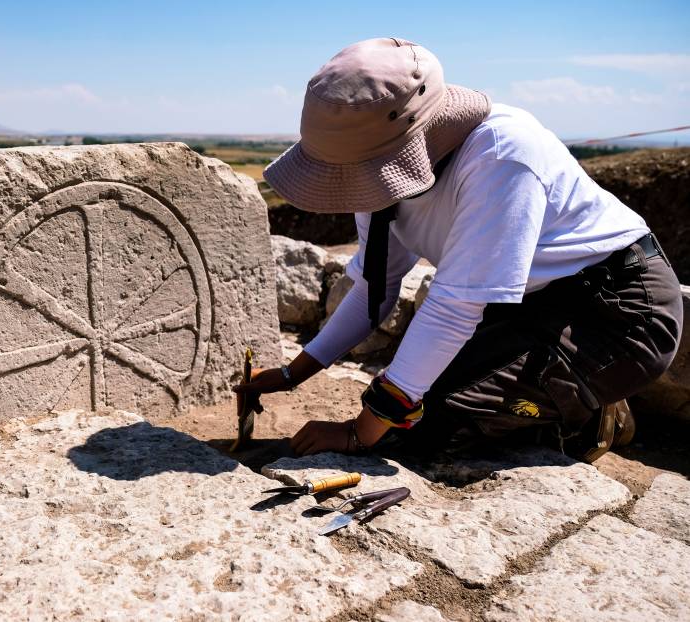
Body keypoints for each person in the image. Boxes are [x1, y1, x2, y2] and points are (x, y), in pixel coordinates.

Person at [237, 38, 683, 462]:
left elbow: (454, 308)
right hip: (526, 301)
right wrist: (293, 373)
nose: (346, 183)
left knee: (420, 423)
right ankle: (553, 389)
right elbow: (375, 290)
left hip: (614, 313)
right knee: (407, 390)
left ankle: (591, 412)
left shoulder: (501, 155)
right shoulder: (378, 173)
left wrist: (359, 434)